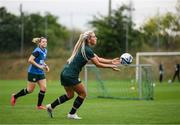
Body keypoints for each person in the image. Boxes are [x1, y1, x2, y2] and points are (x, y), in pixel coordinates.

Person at [46, 31, 120, 119]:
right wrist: (111, 66)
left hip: (64, 73)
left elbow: (98, 59)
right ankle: (71, 114)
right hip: (71, 75)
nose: (96, 38)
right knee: (83, 94)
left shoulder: (84, 48)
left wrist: (111, 61)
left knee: (70, 95)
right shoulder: (87, 50)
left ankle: (51, 106)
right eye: (94, 37)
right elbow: (98, 64)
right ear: (89, 39)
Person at [11, 37, 50, 110]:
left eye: (46, 42)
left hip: (40, 73)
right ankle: (15, 96)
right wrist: (39, 66)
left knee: (44, 88)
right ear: (40, 43)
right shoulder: (37, 51)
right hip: (33, 72)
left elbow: (41, 60)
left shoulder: (45, 50)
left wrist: (46, 66)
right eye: (43, 42)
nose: (45, 43)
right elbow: (30, 60)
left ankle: (39, 106)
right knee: (30, 90)